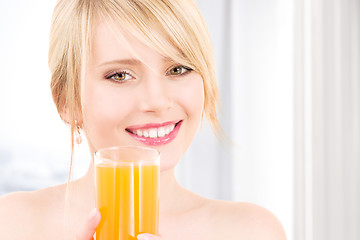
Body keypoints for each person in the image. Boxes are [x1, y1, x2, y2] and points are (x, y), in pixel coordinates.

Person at [0, 0, 287, 239]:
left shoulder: (251, 231)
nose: (157, 101)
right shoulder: (12, 225)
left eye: (178, 69)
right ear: (67, 100)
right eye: (120, 75)